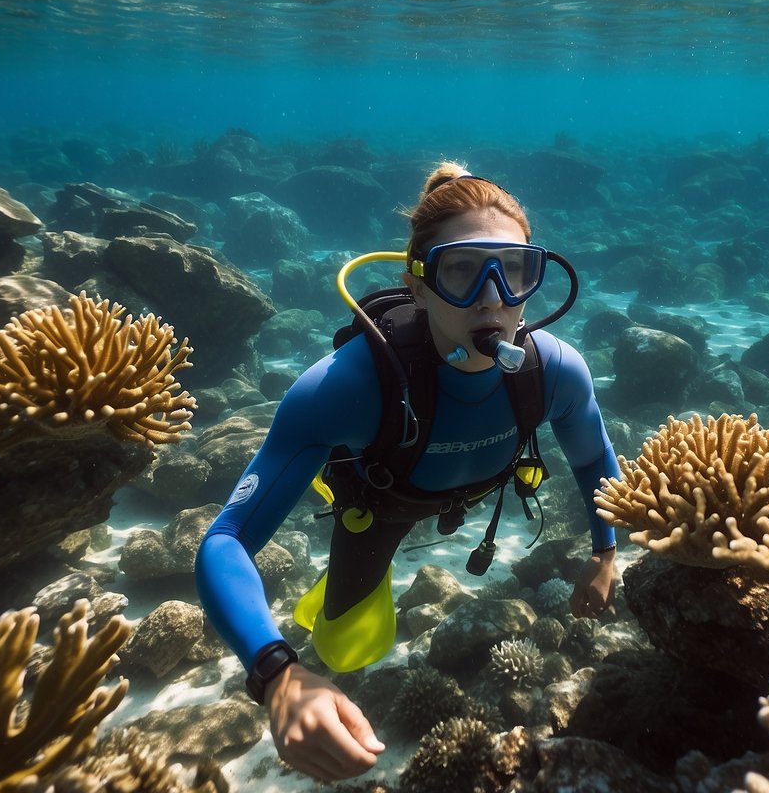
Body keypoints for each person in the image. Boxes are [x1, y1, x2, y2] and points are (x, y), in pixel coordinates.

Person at [195, 162, 619, 782]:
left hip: (473, 487)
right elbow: (224, 539)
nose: (494, 296)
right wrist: (276, 674)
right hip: (380, 501)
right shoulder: (345, 387)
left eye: (515, 271)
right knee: (347, 647)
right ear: (418, 285)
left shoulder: (554, 371)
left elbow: (592, 460)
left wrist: (606, 552)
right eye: (463, 271)